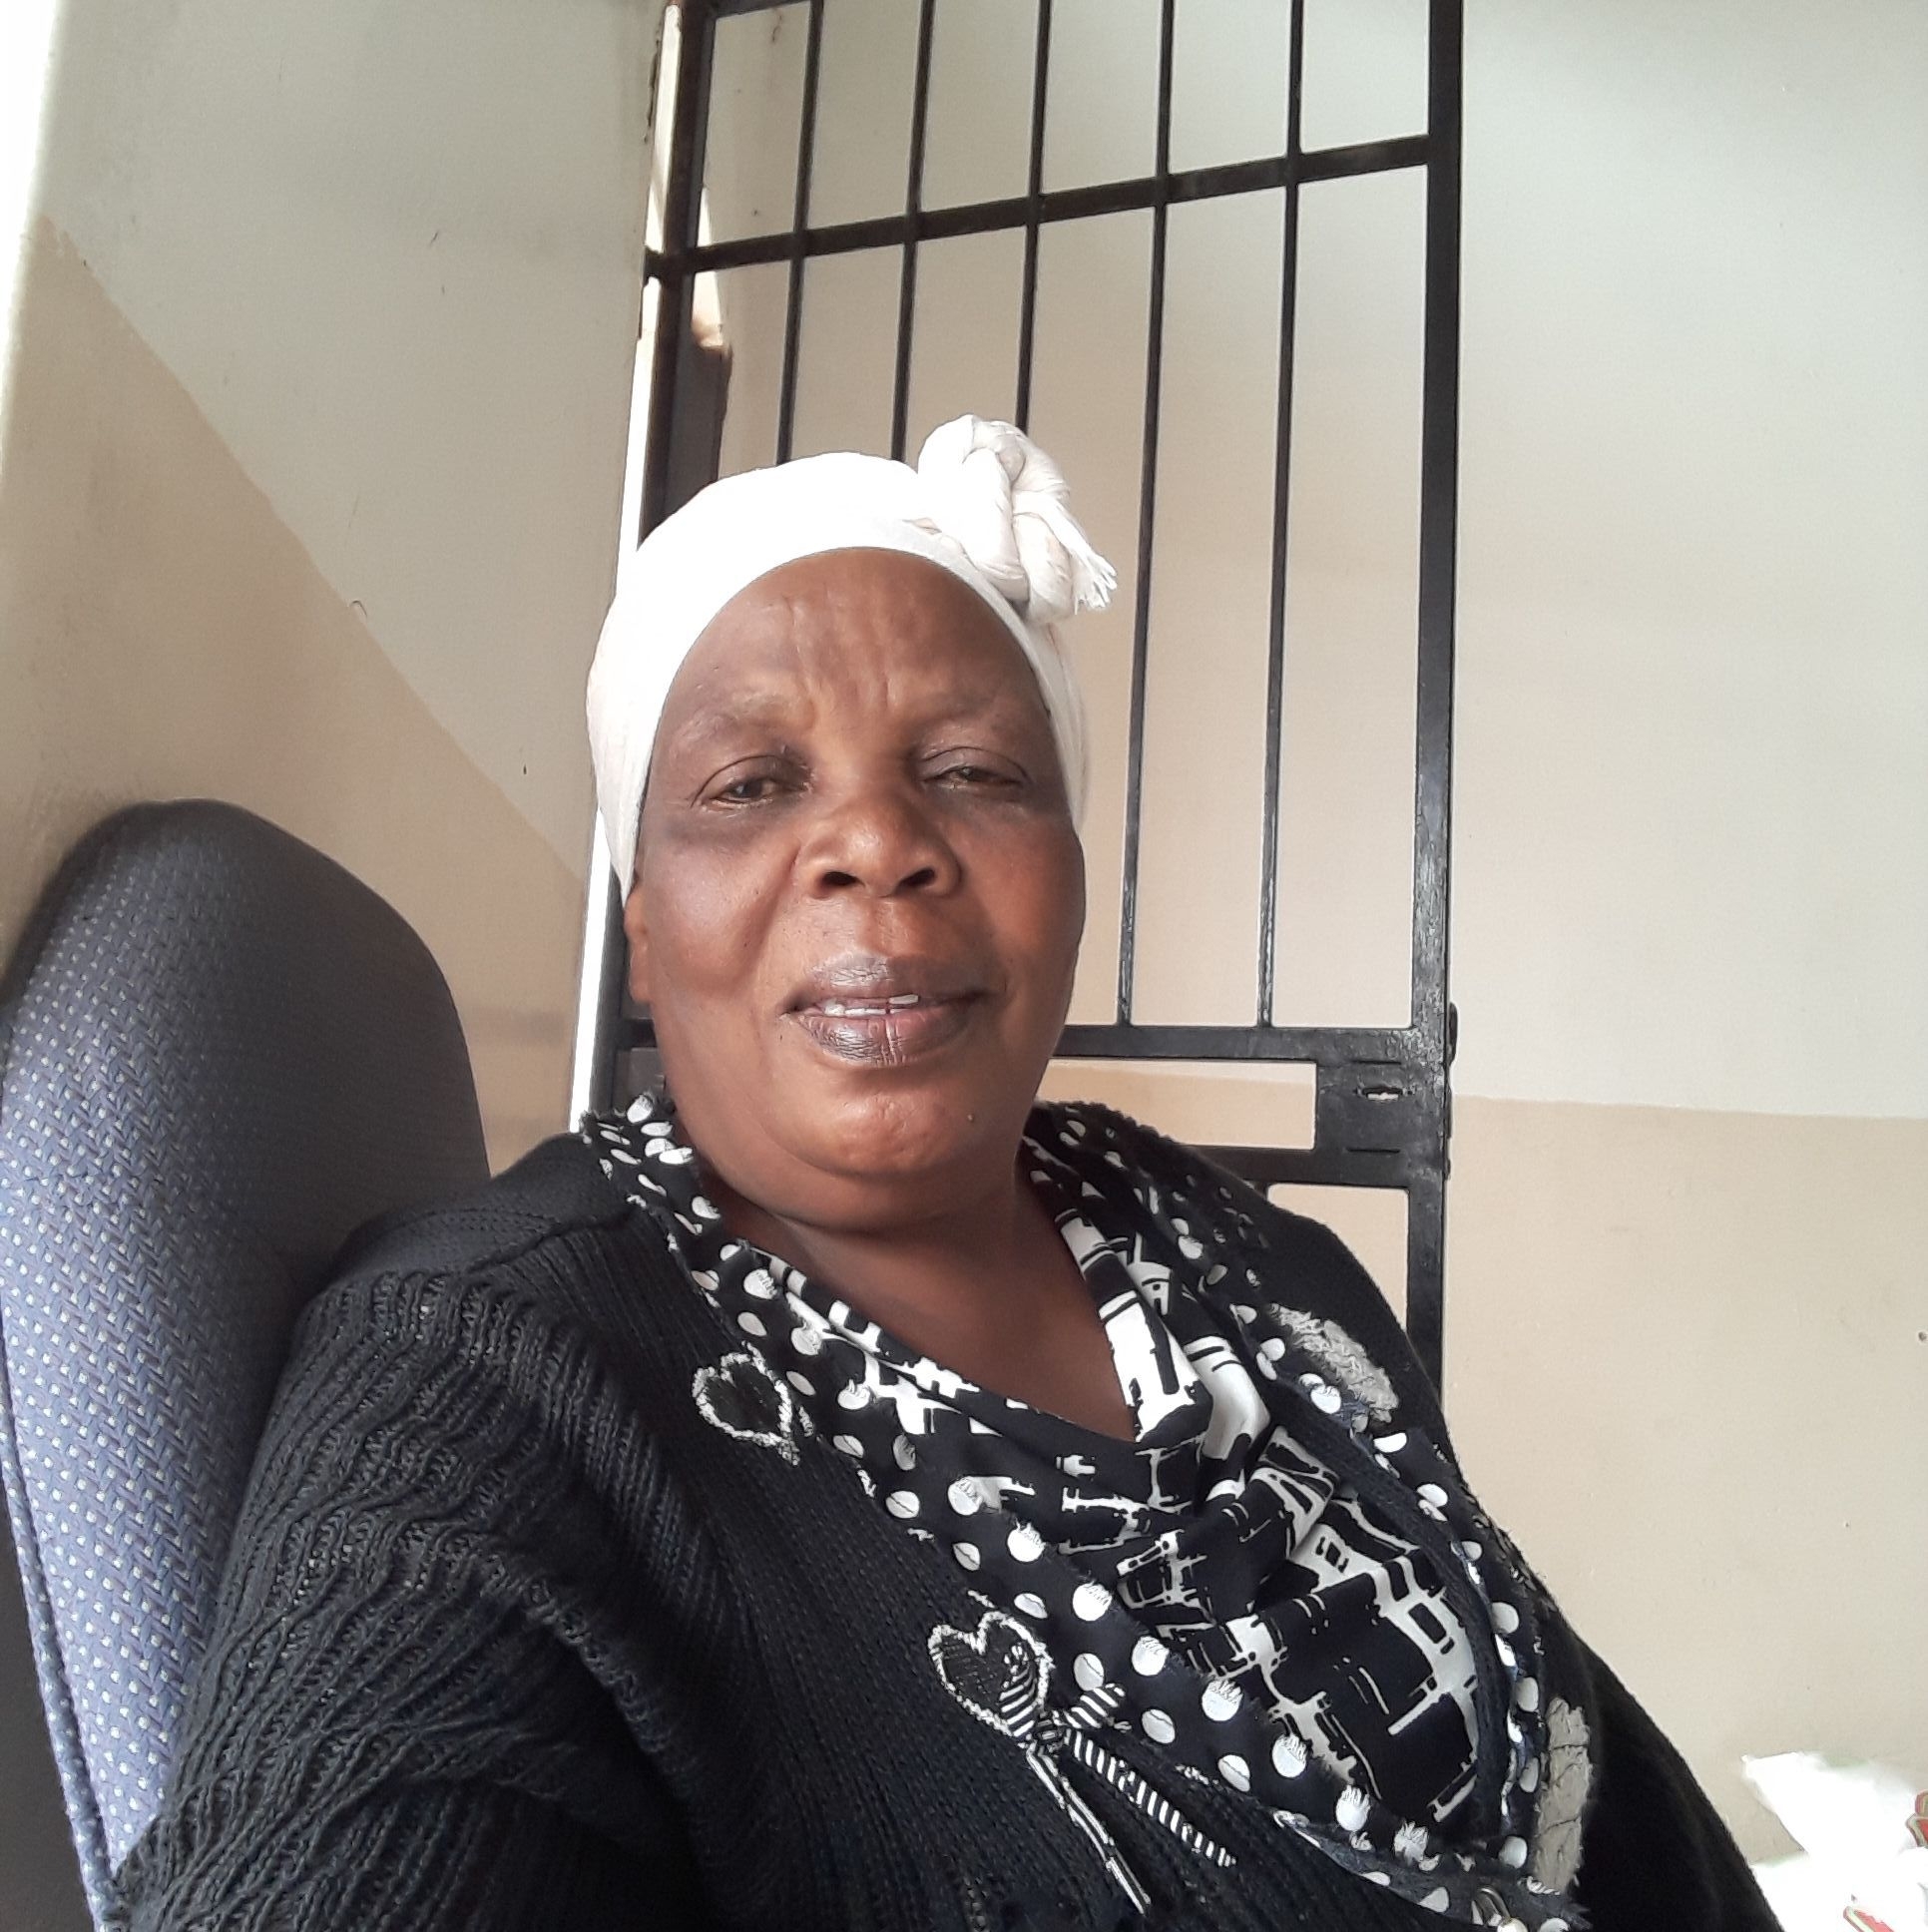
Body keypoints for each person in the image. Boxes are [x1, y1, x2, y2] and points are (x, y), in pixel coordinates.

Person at [118, 418, 1774, 1931]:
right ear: (646, 921)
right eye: (751, 785)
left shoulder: (1253, 1260)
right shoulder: (476, 1380)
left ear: (1072, 869)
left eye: (974, 774)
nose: (877, 844)